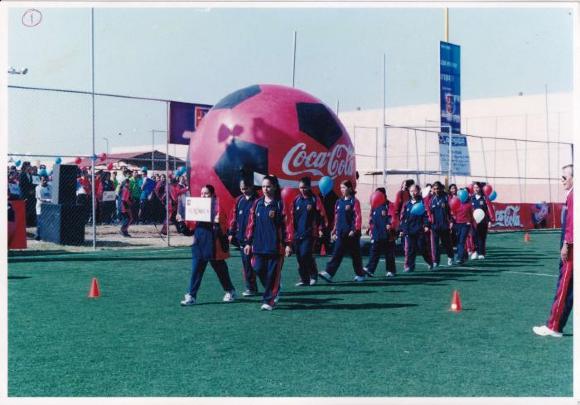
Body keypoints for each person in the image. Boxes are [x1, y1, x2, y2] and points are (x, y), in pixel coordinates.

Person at [533, 164, 574, 338]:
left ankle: (553, 326)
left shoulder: (574, 195)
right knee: (571, 290)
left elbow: (573, 222)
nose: (562, 180)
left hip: (572, 249)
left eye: (564, 177)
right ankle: (558, 325)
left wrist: (566, 244)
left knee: (564, 287)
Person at [181, 184, 237, 306]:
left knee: (221, 270)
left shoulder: (218, 208)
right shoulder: (196, 207)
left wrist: (217, 224)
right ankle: (191, 295)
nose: (203, 195)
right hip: (199, 244)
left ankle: (230, 291)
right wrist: (180, 222)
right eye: (202, 193)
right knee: (196, 271)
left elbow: (224, 229)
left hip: (214, 245)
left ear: (212, 194)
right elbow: (189, 230)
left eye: (206, 193)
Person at [244, 175, 290, 311]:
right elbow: (251, 224)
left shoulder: (280, 204)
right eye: (263, 186)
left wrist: (288, 244)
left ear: (275, 187)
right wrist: (248, 242)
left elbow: (288, 225)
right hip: (258, 246)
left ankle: (269, 301)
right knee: (257, 268)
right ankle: (274, 288)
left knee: (272, 274)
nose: (265, 189)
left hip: (275, 247)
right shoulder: (257, 204)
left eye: (268, 186)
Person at [318, 180, 367, 282]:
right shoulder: (339, 202)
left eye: (344, 188)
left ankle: (360, 274)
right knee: (337, 253)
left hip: (352, 234)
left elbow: (358, 217)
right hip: (341, 232)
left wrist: (354, 229)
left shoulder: (354, 201)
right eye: (341, 188)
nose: (342, 190)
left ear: (349, 188)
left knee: (355, 255)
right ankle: (329, 273)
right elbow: (337, 218)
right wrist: (334, 230)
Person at [288, 176, 328, 286]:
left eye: (305, 187)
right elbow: (292, 218)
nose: (302, 190)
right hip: (297, 234)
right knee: (300, 257)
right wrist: (290, 233)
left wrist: (321, 229)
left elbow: (322, 215)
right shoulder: (296, 200)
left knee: (306, 254)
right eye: (300, 187)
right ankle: (304, 279)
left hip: (310, 233)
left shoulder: (315, 199)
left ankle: (313, 275)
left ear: (309, 187)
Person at [228, 178, 259, 296]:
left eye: (245, 188)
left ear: (251, 187)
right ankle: (251, 288)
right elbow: (233, 218)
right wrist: (231, 232)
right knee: (247, 264)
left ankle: (272, 286)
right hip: (242, 239)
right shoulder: (239, 200)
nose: (243, 191)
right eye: (241, 189)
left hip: (256, 239)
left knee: (259, 265)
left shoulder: (258, 201)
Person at [364, 187, 396, 278]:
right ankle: (370, 269)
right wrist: (370, 228)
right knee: (374, 252)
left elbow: (393, 217)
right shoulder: (374, 206)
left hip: (388, 235)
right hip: (377, 234)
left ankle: (391, 270)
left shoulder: (389, 205)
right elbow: (372, 219)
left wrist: (391, 225)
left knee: (389, 253)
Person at [399, 184, 433, 272]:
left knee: (422, 248)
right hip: (409, 230)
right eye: (411, 191)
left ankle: (429, 261)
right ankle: (410, 266)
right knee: (410, 249)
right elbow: (403, 217)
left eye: (415, 191)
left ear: (418, 191)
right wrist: (402, 229)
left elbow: (427, 215)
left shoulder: (422, 203)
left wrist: (426, 225)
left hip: (419, 230)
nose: (413, 193)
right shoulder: (407, 204)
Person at [428, 181, 454, 267]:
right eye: (434, 189)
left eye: (438, 188)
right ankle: (435, 261)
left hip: (445, 225)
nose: (436, 190)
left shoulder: (446, 198)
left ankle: (450, 257)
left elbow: (451, 211)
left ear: (441, 188)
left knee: (446, 243)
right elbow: (428, 212)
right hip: (434, 226)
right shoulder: (431, 200)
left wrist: (451, 221)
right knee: (434, 245)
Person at [470, 182, 496, 260]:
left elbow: (489, 210)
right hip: (473, 222)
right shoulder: (471, 198)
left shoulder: (484, 198)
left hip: (483, 221)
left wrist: (490, 221)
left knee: (481, 237)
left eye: (477, 187)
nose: (476, 189)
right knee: (473, 236)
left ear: (480, 188)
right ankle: (474, 252)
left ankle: (481, 253)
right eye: (474, 187)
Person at [452, 189, 474, 265]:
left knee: (461, 240)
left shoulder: (469, 204)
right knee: (458, 241)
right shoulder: (456, 203)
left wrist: (471, 223)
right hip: (457, 224)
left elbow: (472, 215)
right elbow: (453, 213)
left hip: (466, 224)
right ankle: (465, 255)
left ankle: (459, 257)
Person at [34, 175, 52, 241]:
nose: (45, 181)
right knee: (40, 222)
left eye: (46, 180)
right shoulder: (38, 188)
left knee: (49, 222)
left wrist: (51, 200)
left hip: (49, 207)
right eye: (43, 180)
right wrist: (48, 200)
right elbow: (39, 198)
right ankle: (37, 236)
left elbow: (52, 195)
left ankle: (46, 236)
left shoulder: (50, 187)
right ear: (40, 180)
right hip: (40, 207)